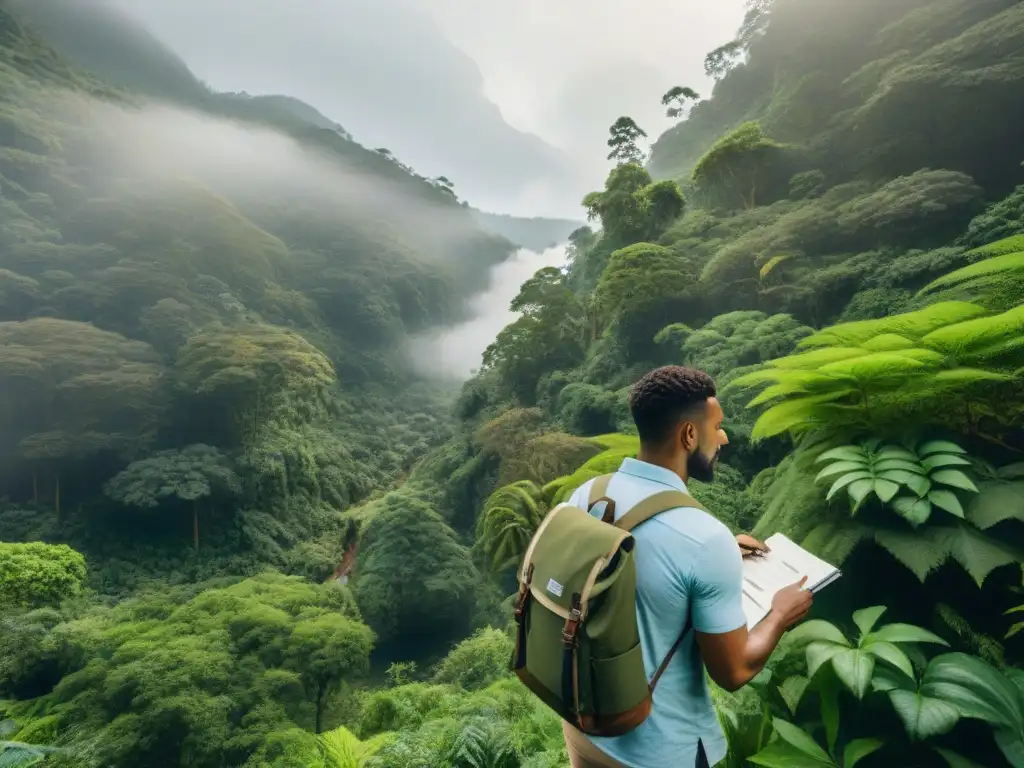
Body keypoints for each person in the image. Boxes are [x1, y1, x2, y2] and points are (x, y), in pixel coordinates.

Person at [560, 365, 813, 768]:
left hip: (582, 726)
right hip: (657, 751)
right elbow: (734, 671)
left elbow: (620, 563)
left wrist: (722, 550)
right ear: (689, 435)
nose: (724, 437)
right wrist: (781, 614)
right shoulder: (702, 538)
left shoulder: (589, 494)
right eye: (718, 427)